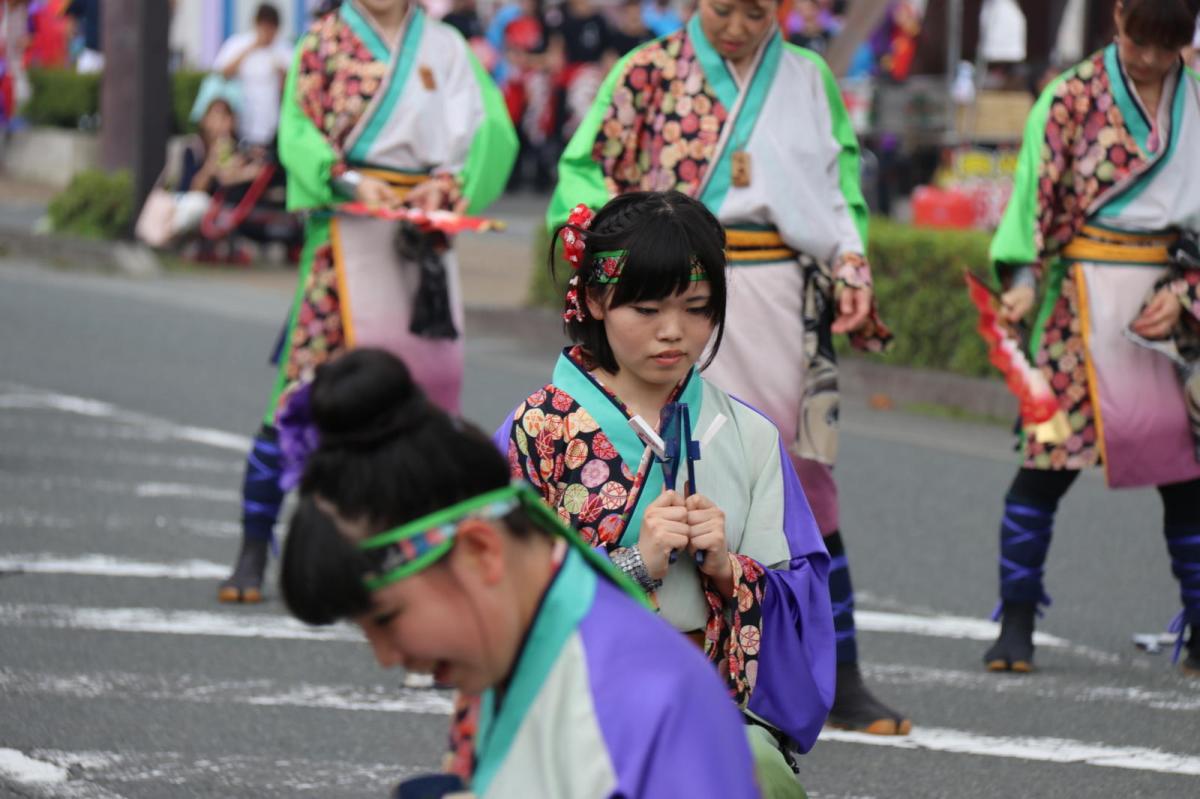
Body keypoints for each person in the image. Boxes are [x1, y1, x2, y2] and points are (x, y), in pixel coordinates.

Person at [549, 0, 909, 736]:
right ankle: (648, 658)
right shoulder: (645, 73)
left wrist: (851, 262)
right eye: (721, 9)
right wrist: (617, 267)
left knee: (801, 482)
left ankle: (834, 670)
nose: (737, 27)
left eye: (755, 10)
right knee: (658, 475)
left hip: (778, 293)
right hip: (669, 298)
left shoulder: (808, 77)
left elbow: (839, 190)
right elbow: (585, 174)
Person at [279, 348, 762, 798]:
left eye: (384, 619)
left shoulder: (648, 699)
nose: (387, 657)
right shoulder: (514, 635)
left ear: (479, 550)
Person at [497, 191, 834, 794]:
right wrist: (633, 565)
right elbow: (494, 598)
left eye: (698, 308)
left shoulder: (751, 436)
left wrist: (730, 570)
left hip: (709, 699)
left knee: (756, 770)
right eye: (647, 309)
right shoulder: (537, 430)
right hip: (576, 705)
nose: (674, 333)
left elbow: (800, 598)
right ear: (597, 300)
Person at [217, 0, 517, 604]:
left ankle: (418, 559)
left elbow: (492, 129)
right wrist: (349, 178)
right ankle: (255, 542)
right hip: (345, 231)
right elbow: (299, 131)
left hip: (423, 233)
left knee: (426, 395)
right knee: (303, 388)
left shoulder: (446, 47)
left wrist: (450, 182)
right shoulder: (322, 43)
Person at [984, 0, 1200, 676]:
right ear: (1117, 19)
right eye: (1140, 42)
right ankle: (1015, 621)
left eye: (1169, 48)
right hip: (1075, 303)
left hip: (1169, 301)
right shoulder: (1070, 95)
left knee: (1187, 479)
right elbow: (1033, 200)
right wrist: (1022, 279)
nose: (1151, 61)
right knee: (1044, 468)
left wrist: (1188, 293)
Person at [213, 3, 293, 148]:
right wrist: (252, 47)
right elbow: (222, 72)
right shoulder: (239, 43)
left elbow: (293, 83)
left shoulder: (283, 49)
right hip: (241, 122)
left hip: (273, 125)